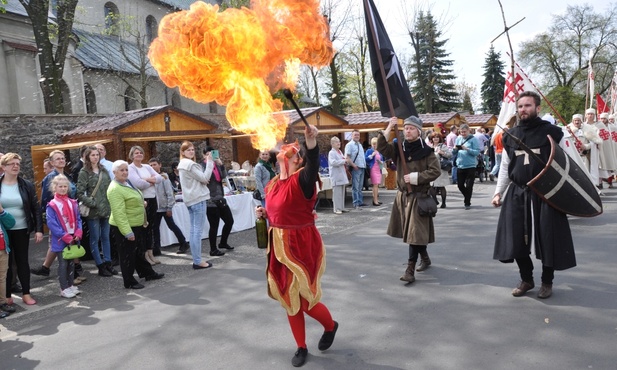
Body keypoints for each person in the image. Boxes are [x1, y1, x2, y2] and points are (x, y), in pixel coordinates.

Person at [255, 125, 338, 368]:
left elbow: (312, 164)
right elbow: (275, 210)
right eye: (283, 150)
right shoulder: (272, 183)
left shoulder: (302, 180)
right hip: (277, 245)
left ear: (297, 159)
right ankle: (301, 346)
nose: (284, 151)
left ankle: (331, 326)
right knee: (289, 298)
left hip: (300, 245)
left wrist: (311, 143)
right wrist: (263, 213)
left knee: (304, 301)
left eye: (292, 151)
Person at [492, 91, 577, 299]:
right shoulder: (510, 135)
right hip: (518, 191)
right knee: (515, 238)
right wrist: (498, 192)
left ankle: (547, 282)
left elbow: (567, 163)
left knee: (549, 237)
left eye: (528, 106)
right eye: (520, 106)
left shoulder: (552, 133)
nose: (523, 110)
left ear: (537, 108)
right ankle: (526, 279)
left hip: (546, 192)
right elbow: (505, 166)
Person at [376, 116, 441, 284]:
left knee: (414, 233)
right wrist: (389, 127)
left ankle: (410, 269)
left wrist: (416, 177)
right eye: (405, 128)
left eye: (411, 128)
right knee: (415, 233)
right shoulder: (399, 148)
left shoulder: (426, 151)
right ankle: (425, 258)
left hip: (419, 196)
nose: (407, 130)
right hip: (403, 197)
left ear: (418, 131)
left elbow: (435, 171)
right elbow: (382, 148)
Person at [107, 160, 164, 289]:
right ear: (114, 172)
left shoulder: (127, 182)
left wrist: (141, 203)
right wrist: (127, 232)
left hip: (136, 223)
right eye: (121, 170)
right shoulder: (115, 189)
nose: (125, 172)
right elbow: (118, 213)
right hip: (125, 226)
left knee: (138, 251)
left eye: (126, 169)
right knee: (127, 255)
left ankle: (147, 273)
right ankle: (129, 281)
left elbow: (134, 196)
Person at [0, 153, 44, 306]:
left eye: (17, 163)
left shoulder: (26, 185)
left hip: (22, 229)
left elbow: (36, 209)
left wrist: (39, 229)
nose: (15, 166)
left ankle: (26, 293)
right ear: (3, 167)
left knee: (22, 261)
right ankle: (6, 295)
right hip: (2, 231)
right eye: (11, 164)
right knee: (5, 264)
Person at [32, 150, 82, 283]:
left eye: (62, 158)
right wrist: (48, 219)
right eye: (58, 159)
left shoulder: (68, 176)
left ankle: (69, 270)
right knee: (60, 244)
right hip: (59, 216)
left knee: (70, 242)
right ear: (52, 163)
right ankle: (70, 276)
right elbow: (45, 201)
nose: (61, 160)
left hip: (71, 213)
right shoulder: (50, 178)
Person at [76, 146, 116, 277]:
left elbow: (110, 187)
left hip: (106, 208)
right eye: (93, 155)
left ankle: (108, 262)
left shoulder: (103, 170)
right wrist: (92, 203)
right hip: (93, 210)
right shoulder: (84, 172)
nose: (95, 157)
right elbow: (80, 193)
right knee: (95, 238)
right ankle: (100, 265)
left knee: (106, 237)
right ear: (87, 157)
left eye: (97, 155)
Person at [177, 141, 214, 269]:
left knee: (194, 231)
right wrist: (210, 162)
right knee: (196, 231)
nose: (191, 152)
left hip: (190, 199)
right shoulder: (190, 164)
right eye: (188, 150)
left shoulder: (182, 164)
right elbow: (205, 178)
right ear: (182, 152)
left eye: (192, 149)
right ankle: (197, 261)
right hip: (197, 198)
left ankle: (196, 259)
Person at [45, 175, 83, 298]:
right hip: (61, 238)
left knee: (71, 261)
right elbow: (52, 223)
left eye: (65, 186)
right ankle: (63, 287)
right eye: (60, 186)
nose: (63, 189)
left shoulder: (72, 203)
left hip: (72, 236)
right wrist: (64, 235)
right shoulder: (52, 205)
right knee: (63, 262)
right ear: (54, 188)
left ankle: (70, 284)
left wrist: (78, 232)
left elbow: (78, 219)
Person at [127, 145, 163, 264]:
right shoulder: (131, 168)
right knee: (144, 228)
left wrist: (147, 180)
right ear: (132, 155)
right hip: (143, 201)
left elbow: (159, 178)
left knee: (151, 228)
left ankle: (150, 253)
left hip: (152, 199)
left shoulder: (147, 167)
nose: (139, 154)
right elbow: (138, 184)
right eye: (136, 153)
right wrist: (151, 181)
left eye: (140, 152)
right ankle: (144, 255)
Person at [148, 157, 190, 255]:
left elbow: (169, 193)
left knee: (171, 225)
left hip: (164, 207)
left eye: (154, 164)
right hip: (156, 208)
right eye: (150, 165)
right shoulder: (151, 178)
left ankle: (183, 242)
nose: (153, 167)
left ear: (160, 165)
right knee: (155, 229)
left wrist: (169, 207)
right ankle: (156, 248)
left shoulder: (164, 177)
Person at [202, 147, 234, 255]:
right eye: (207, 154)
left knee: (229, 221)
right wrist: (209, 164)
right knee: (214, 225)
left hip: (220, 197)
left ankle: (223, 242)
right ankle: (213, 249)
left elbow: (224, 176)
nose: (210, 156)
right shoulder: (202, 166)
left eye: (212, 154)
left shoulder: (217, 165)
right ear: (204, 156)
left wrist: (220, 164)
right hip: (210, 200)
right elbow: (205, 179)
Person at [452, 124, 480, 210]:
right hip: (460, 165)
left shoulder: (473, 139)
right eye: (461, 132)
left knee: (469, 185)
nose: (463, 133)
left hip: (470, 165)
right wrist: (454, 149)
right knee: (460, 185)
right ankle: (467, 196)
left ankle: (467, 202)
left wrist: (467, 149)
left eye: (464, 132)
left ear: (469, 131)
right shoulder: (458, 139)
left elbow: (477, 152)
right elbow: (454, 153)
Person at [0, 200, 17, 317]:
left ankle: (2, 303)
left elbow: (11, 223)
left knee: (2, 278)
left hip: (2, 249)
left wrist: (1, 211)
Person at [344, 129, 367, 209]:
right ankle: (356, 203)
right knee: (355, 187)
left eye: (358, 135)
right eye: (355, 135)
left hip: (362, 167)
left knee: (360, 186)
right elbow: (347, 158)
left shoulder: (359, 144)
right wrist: (354, 165)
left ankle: (360, 202)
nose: (357, 136)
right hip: (355, 168)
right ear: (352, 135)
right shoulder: (349, 145)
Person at [429, 132, 452, 208]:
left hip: (441, 168)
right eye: (434, 137)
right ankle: (435, 200)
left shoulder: (442, 146)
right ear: (431, 139)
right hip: (431, 168)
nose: (435, 138)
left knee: (441, 186)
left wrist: (441, 152)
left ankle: (444, 203)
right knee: (430, 185)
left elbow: (449, 155)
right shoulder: (429, 146)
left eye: (437, 137)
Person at [327, 136, 349, 214]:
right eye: (337, 142)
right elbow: (333, 162)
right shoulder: (331, 153)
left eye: (339, 141)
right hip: (336, 175)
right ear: (332, 144)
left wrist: (344, 161)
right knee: (337, 193)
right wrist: (343, 161)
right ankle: (337, 209)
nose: (338, 143)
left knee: (342, 192)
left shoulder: (340, 151)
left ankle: (342, 207)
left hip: (342, 175)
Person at [365, 137, 384, 206]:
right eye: (373, 144)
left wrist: (381, 162)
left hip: (379, 169)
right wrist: (372, 156)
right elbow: (366, 159)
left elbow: (382, 160)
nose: (374, 145)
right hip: (373, 169)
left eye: (376, 144)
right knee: (375, 185)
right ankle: (375, 201)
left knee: (377, 185)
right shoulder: (369, 151)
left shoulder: (379, 151)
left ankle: (376, 199)